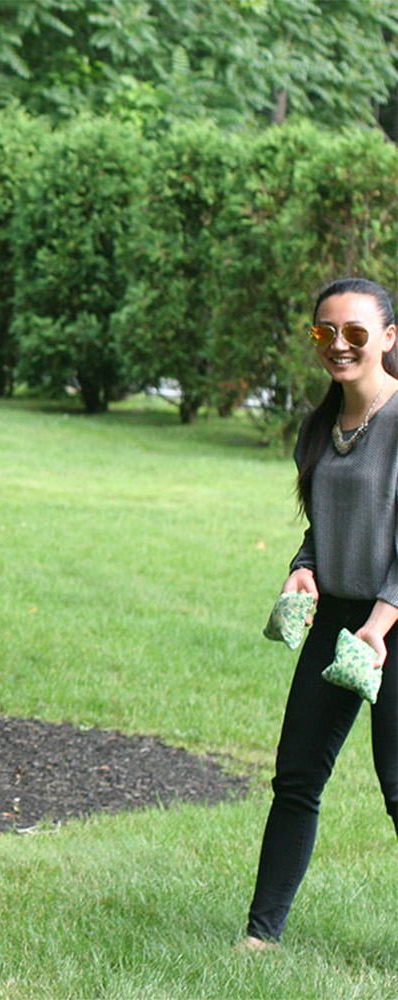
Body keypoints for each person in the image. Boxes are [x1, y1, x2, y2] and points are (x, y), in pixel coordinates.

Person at [241, 276, 398, 950]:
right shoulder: (322, 424)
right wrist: (304, 566)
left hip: (391, 623)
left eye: (356, 333)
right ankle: (260, 936)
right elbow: (323, 524)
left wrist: (382, 621)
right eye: (325, 333)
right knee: (297, 777)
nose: (340, 345)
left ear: (388, 339)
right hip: (336, 617)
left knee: (397, 788)